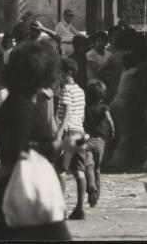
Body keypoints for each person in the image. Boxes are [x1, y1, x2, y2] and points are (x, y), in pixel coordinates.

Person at [0, 41, 70, 240]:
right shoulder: (21, 107)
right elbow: (15, 155)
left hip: (23, 196)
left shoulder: (20, 102)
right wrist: (61, 144)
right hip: (27, 197)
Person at [55, 58, 88, 220]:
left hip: (69, 132)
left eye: (60, 71)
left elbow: (67, 111)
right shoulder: (80, 90)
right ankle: (80, 208)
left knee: (60, 169)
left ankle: (62, 210)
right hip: (80, 132)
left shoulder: (66, 89)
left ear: (68, 72)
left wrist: (60, 131)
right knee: (79, 171)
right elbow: (80, 115)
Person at [83, 79, 115, 208]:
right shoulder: (104, 107)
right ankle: (95, 197)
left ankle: (90, 185)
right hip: (100, 142)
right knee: (97, 168)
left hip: (87, 140)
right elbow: (108, 119)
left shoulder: (86, 108)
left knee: (88, 166)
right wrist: (112, 131)